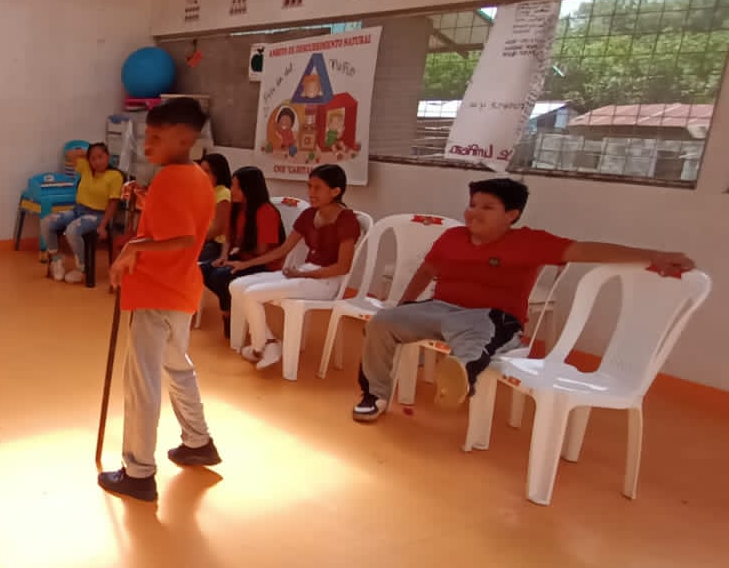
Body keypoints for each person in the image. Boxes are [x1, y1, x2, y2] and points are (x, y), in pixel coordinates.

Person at [352, 177, 695, 421]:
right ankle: (375, 395)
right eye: (472, 205)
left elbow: (587, 250)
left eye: (487, 207)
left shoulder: (529, 242)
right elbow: (427, 271)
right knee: (383, 322)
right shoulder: (452, 237)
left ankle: (461, 374)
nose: (474, 213)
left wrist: (653, 256)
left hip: (491, 317)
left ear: (512, 214)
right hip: (438, 309)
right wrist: (405, 305)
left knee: (475, 337)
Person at [98, 96, 222, 503]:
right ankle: (198, 441)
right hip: (180, 290)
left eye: (156, 137)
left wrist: (132, 247)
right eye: (147, 136)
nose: (147, 144)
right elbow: (177, 223)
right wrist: (145, 200)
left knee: (143, 381)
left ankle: (138, 471)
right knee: (177, 367)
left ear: (183, 139)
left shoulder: (171, 178)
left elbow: (181, 238)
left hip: (155, 291)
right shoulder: (195, 177)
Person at [226, 164, 360, 371]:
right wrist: (246, 264)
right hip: (304, 273)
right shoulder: (309, 214)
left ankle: (260, 347)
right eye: (310, 186)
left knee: (252, 294)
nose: (311, 193)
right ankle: (269, 343)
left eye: (317, 188)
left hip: (326, 282)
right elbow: (283, 249)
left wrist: (305, 274)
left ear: (336, 191)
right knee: (236, 286)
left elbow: (342, 267)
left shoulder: (347, 219)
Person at [199, 164, 285, 337]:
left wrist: (239, 262)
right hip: (242, 257)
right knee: (203, 270)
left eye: (236, 186)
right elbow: (228, 238)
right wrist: (224, 257)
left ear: (249, 188)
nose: (232, 190)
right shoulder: (236, 207)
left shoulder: (265, 211)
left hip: (263, 263)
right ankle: (230, 309)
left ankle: (229, 314)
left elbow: (262, 251)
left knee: (220, 276)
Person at [46, 141, 124, 284]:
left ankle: (82, 268)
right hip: (78, 210)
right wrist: (87, 154)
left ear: (108, 157)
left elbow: (113, 203)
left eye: (100, 157)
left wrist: (103, 226)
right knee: (48, 221)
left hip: (97, 215)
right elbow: (69, 155)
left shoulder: (115, 176)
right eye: (93, 159)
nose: (97, 162)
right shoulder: (86, 168)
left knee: (72, 230)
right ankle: (56, 260)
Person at [197, 152, 233, 263]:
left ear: (218, 173)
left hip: (215, 244)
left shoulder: (223, 193)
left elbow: (218, 229)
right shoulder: (202, 191)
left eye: (207, 171)